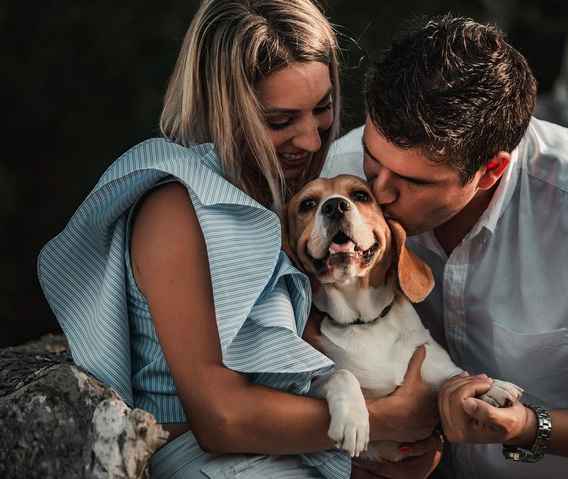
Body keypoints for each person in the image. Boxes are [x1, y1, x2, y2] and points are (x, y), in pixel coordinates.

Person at [37, 2, 436, 478]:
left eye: (322, 109)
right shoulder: (177, 209)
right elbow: (219, 418)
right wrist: (390, 420)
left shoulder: (290, 202)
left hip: (291, 452)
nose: (311, 140)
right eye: (279, 120)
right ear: (224, 109)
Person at [322, 15, 568, 479]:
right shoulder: (337, 181)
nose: (379, 195)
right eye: (373, 159)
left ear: (491, 170)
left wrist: (532, 428)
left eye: (412, 181)